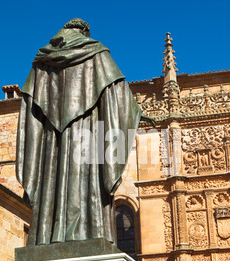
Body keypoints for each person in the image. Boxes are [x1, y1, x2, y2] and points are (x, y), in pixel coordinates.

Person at [16, 18, 152, 246]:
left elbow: (30, 107)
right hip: (88, 134)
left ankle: (48, 236)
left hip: (53, 142)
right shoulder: (97, 54)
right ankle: (90, 234)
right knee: (90, 180)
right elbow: (117, 94)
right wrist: (135, 114)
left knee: (53, 177)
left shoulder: (41, 64)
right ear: (85, 32)